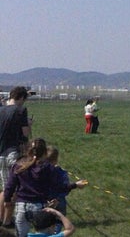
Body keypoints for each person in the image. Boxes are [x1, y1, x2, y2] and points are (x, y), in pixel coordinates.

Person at [3, 138, 87, 237]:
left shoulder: (19, 165)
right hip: (39, 207)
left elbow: (10, 185)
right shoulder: (48, 168)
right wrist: (75, 185)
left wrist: (7, 200)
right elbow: (58, 187)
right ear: (44, 152)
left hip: (21, 207)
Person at [0, 86, 32, 228]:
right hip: (12, 152)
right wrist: (29, 125)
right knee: (13, 189)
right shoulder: (20, 111)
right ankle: (7, 221)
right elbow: (25, 134)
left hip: (0, 152)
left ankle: (1, 218)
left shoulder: (1, 109)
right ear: (21, 98)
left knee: (4, 188)